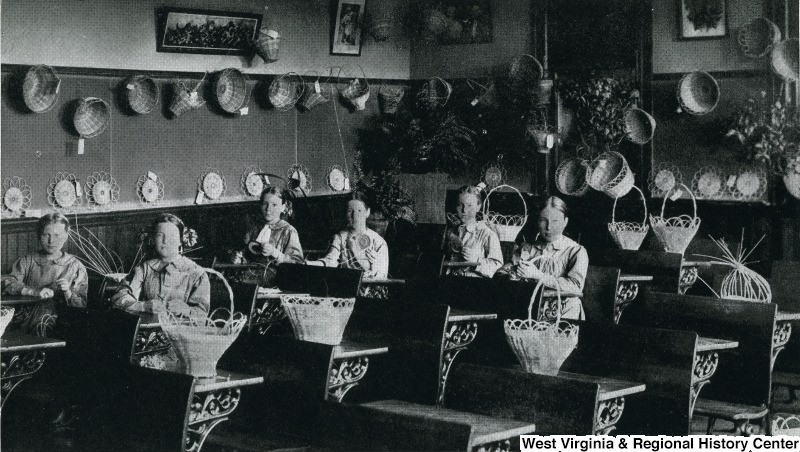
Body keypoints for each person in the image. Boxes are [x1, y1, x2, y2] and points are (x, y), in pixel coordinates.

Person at [495, 196, 588, 320]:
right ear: (538, 221)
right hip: (529, 310)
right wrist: (511, 276)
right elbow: (500, 272)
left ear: (565, 222)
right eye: (544, 220)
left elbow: (576, 287)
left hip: (563, 313)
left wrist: (538, 275)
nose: (549, 227)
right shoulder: (527, 248)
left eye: (555, 221)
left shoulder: (575, 251)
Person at [3, 213, 88, 335]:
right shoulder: (28, 260)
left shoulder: (74, 266)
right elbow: (6, 282)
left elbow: (81, 305)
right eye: (46, 235)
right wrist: (32, 291)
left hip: (61, 320)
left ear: (65, 236)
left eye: (57, 235)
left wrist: (68, 291)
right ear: (39, 236)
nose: (51, 241)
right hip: (25, 316)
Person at [112, 214, 209, 318]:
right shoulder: (144, 269)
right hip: (147, 332)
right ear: (153, 239)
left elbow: (202, 314)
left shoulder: (196, 272)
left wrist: (185, 310)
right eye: (159, 235)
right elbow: (119, 298)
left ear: (181, 240)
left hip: (183, 331)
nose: (165, 241)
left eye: (172, 235)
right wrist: (143, 306)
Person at [308, 191, 389, 280]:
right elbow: (330, 261)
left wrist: (377, 266)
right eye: (350, 211)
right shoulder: (340, 237)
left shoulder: (378, 242)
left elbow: (383, 275)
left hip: (371, 288)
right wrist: (309, 264)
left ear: (367, 212)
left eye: (359, 210)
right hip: (346, 285)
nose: (354, 215)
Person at [444, 185, 503, 277]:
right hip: (449, 283)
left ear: (478, 207)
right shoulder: (450, 232)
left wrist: (476, 260)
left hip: (474, 286)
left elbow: (497, 266)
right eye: (460, 205)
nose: (464, 210)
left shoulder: (487, 234)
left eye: (470, 205)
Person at [242, 187, 304, 266]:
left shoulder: (288, 230)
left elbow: (298, 263)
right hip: (252, 276)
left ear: (283, 207)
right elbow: (248, 256)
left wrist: (274, 252)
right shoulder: (255, 228)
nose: (268, 209)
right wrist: (241, 259)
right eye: (265, 204)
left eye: (274, 205)